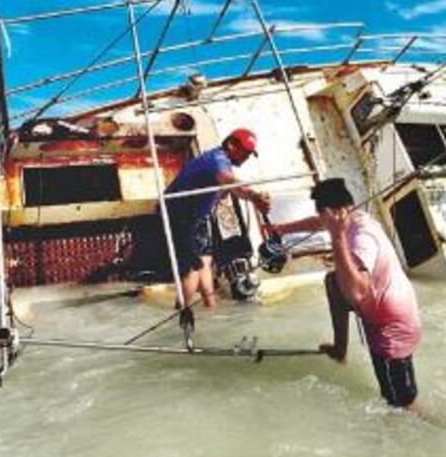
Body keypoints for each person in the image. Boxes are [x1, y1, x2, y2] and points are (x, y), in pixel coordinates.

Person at [268, 178, 422, 410]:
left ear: (339, 212)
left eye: (326, 217)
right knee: (332, 281)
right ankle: (340, 349)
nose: (323, 222)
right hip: (384, 306)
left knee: (399, 404)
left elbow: (357, 292)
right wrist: (283, 229)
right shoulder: (354, 216)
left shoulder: (363, 237)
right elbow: (318, 222)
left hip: (390, 323)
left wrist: (337, 237)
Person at [164, 128, 270, 309]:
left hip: (199, 216)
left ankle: (210, 307)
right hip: (182, 216)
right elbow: (228, 180)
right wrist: (253, 196)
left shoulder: (219, 161)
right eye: (245, 152)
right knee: (192, 269)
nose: (247, 157)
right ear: (231, 145)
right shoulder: (217, 160)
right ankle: (181, 316)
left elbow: (224, 187)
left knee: (205, 262)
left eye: (250, 154)